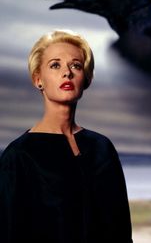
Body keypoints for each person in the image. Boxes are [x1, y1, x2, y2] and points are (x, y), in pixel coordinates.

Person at [0, 30, 133, 243]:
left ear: (86, 79)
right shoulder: (19, 156)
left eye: (76, 66)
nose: (67, 73)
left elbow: (122, 233)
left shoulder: (102, 147)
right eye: (55, 65)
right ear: (38, 79)